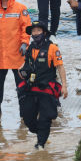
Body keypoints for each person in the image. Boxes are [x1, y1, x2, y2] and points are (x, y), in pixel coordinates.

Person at [18, 21, 68, 150]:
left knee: (45, 119)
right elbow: (26, 63)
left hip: (47, 89)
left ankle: (40, 144)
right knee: (28, 119)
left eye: (38, 31)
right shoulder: (30, 48)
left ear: (44, 32)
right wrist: (21, 69)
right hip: (31, 88)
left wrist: (64, 86)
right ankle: (40, 133)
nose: (35, 33)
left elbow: (60, 67)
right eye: (33, 31)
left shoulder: (52, 48)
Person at [0, 0, 31, 116]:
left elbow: (26, 27)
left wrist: (25, 43)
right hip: (1, 53)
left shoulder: (20, 8)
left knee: (21, 82)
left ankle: (25, 108)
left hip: (17, 52)